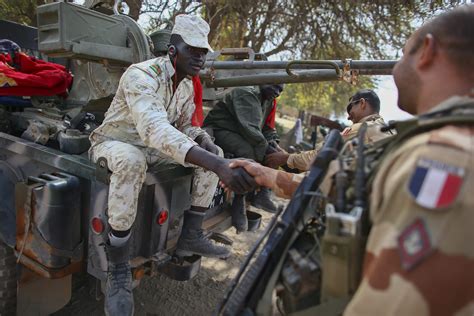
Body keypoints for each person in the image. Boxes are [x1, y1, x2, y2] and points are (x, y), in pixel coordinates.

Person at [229, 5, 474, 315]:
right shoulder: (429, 141)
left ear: (426, 51)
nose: (398, 65)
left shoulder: (448, 158)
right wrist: (269, 175)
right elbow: (347, 185)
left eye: (402, 53)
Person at [89, 15, 255, 315]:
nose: (199, 57)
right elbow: (154, 129)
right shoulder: (142, 75)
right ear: (172, 50)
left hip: (153, 147)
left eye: (203, 52)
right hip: (117, 143)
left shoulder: (187, 85)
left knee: (211, 150)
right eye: (193, 50)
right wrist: (218, 164)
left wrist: (201, 138)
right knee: (131, 161)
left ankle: (191, 235)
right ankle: (117, 270)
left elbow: (180, 126)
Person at [203, 83, 284, 232]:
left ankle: (263, 193)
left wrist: (275, 145)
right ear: (267, 79)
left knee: (274, 153)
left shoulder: (267, 99)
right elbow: (252, 131)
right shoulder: (247, 93)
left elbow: (266, 128)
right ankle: (239, 201)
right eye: (276, 87)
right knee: (249, 154)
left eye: (281, 90)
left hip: (241, 132)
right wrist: (267, 154)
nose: (278, 93)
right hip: (220, 129)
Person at [265, 89, 391, 171]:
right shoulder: (388, 130)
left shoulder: (362, 129)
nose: (348, 116)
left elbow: (319, 157)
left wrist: (286, 158)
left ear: (362, 103)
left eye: (349, 108)